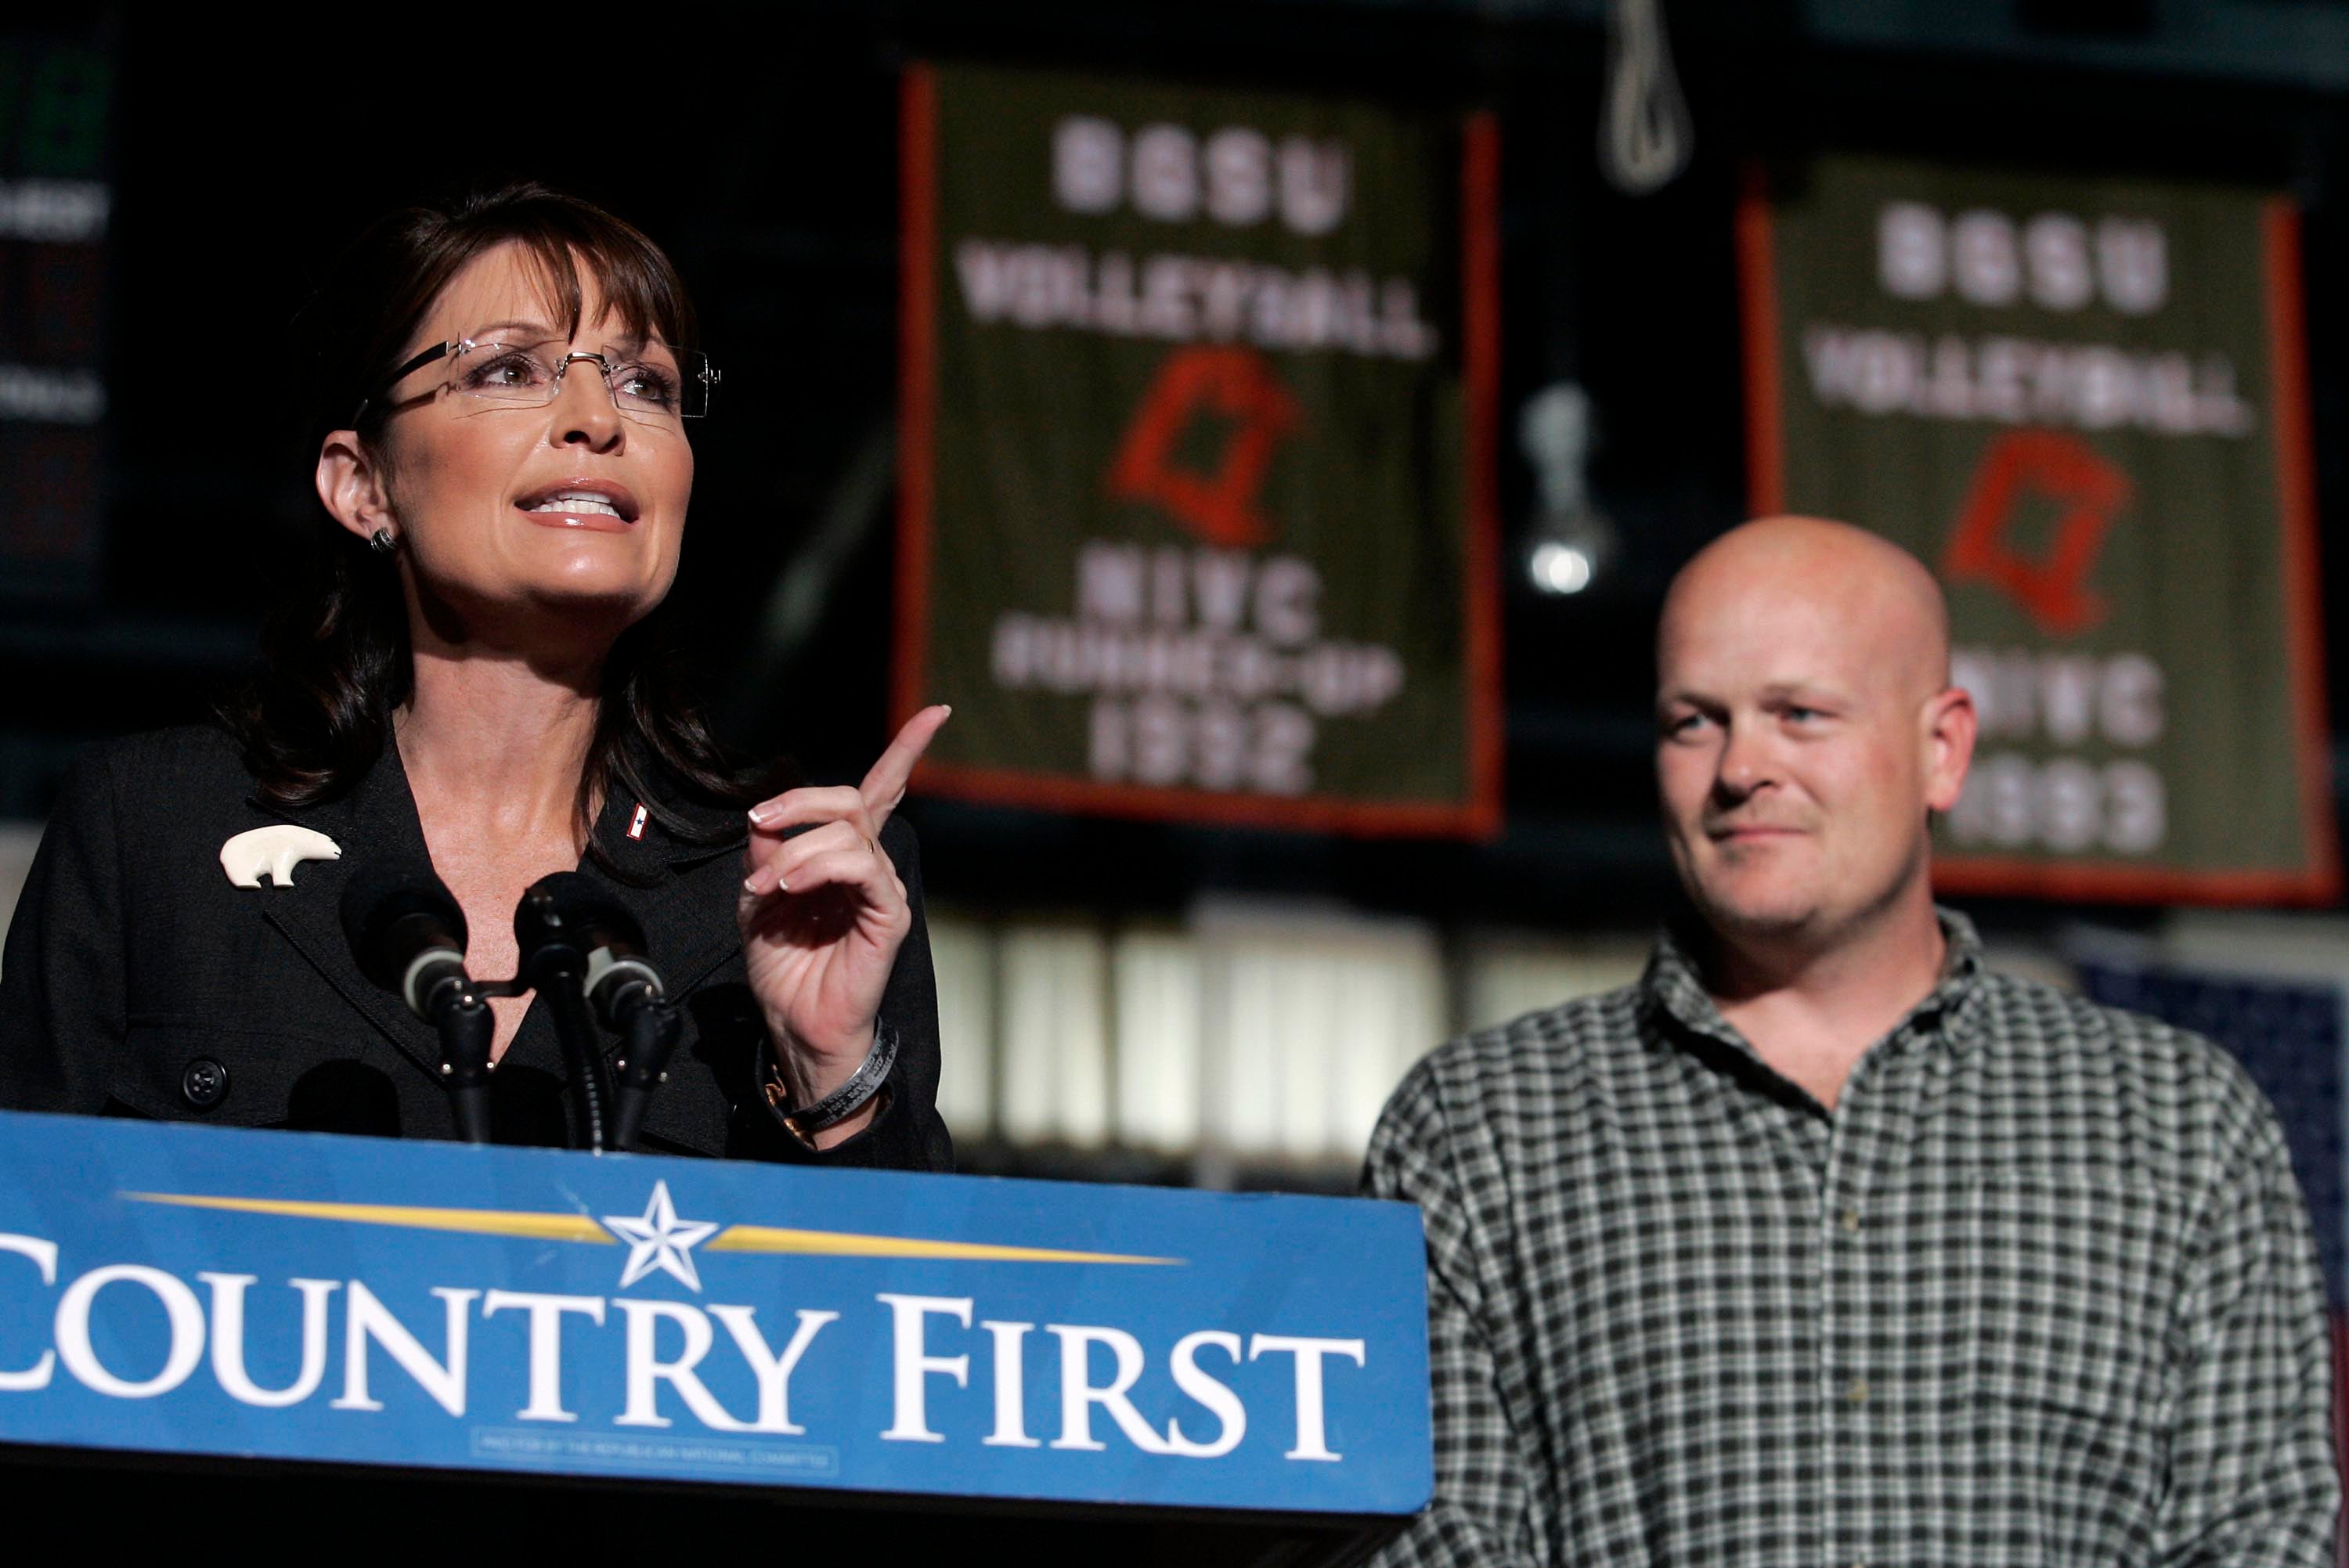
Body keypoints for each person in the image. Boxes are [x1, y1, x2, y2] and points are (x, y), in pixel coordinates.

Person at [1365, 516, 2337, 1563]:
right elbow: (1427, 1538)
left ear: (1942, 749)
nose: (1741, 766)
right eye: (1695, 720)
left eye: (1800, 713)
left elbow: (2258, 1535)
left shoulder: (2179, 1121)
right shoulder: (1485, 1126)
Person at [0, 183, 952, 1168]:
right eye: (507, 368)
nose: (597, 418)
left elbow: (899, 1308)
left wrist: (830, 1071)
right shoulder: (155, 830)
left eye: (647, 385)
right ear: (363, 482)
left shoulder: (798, 880)